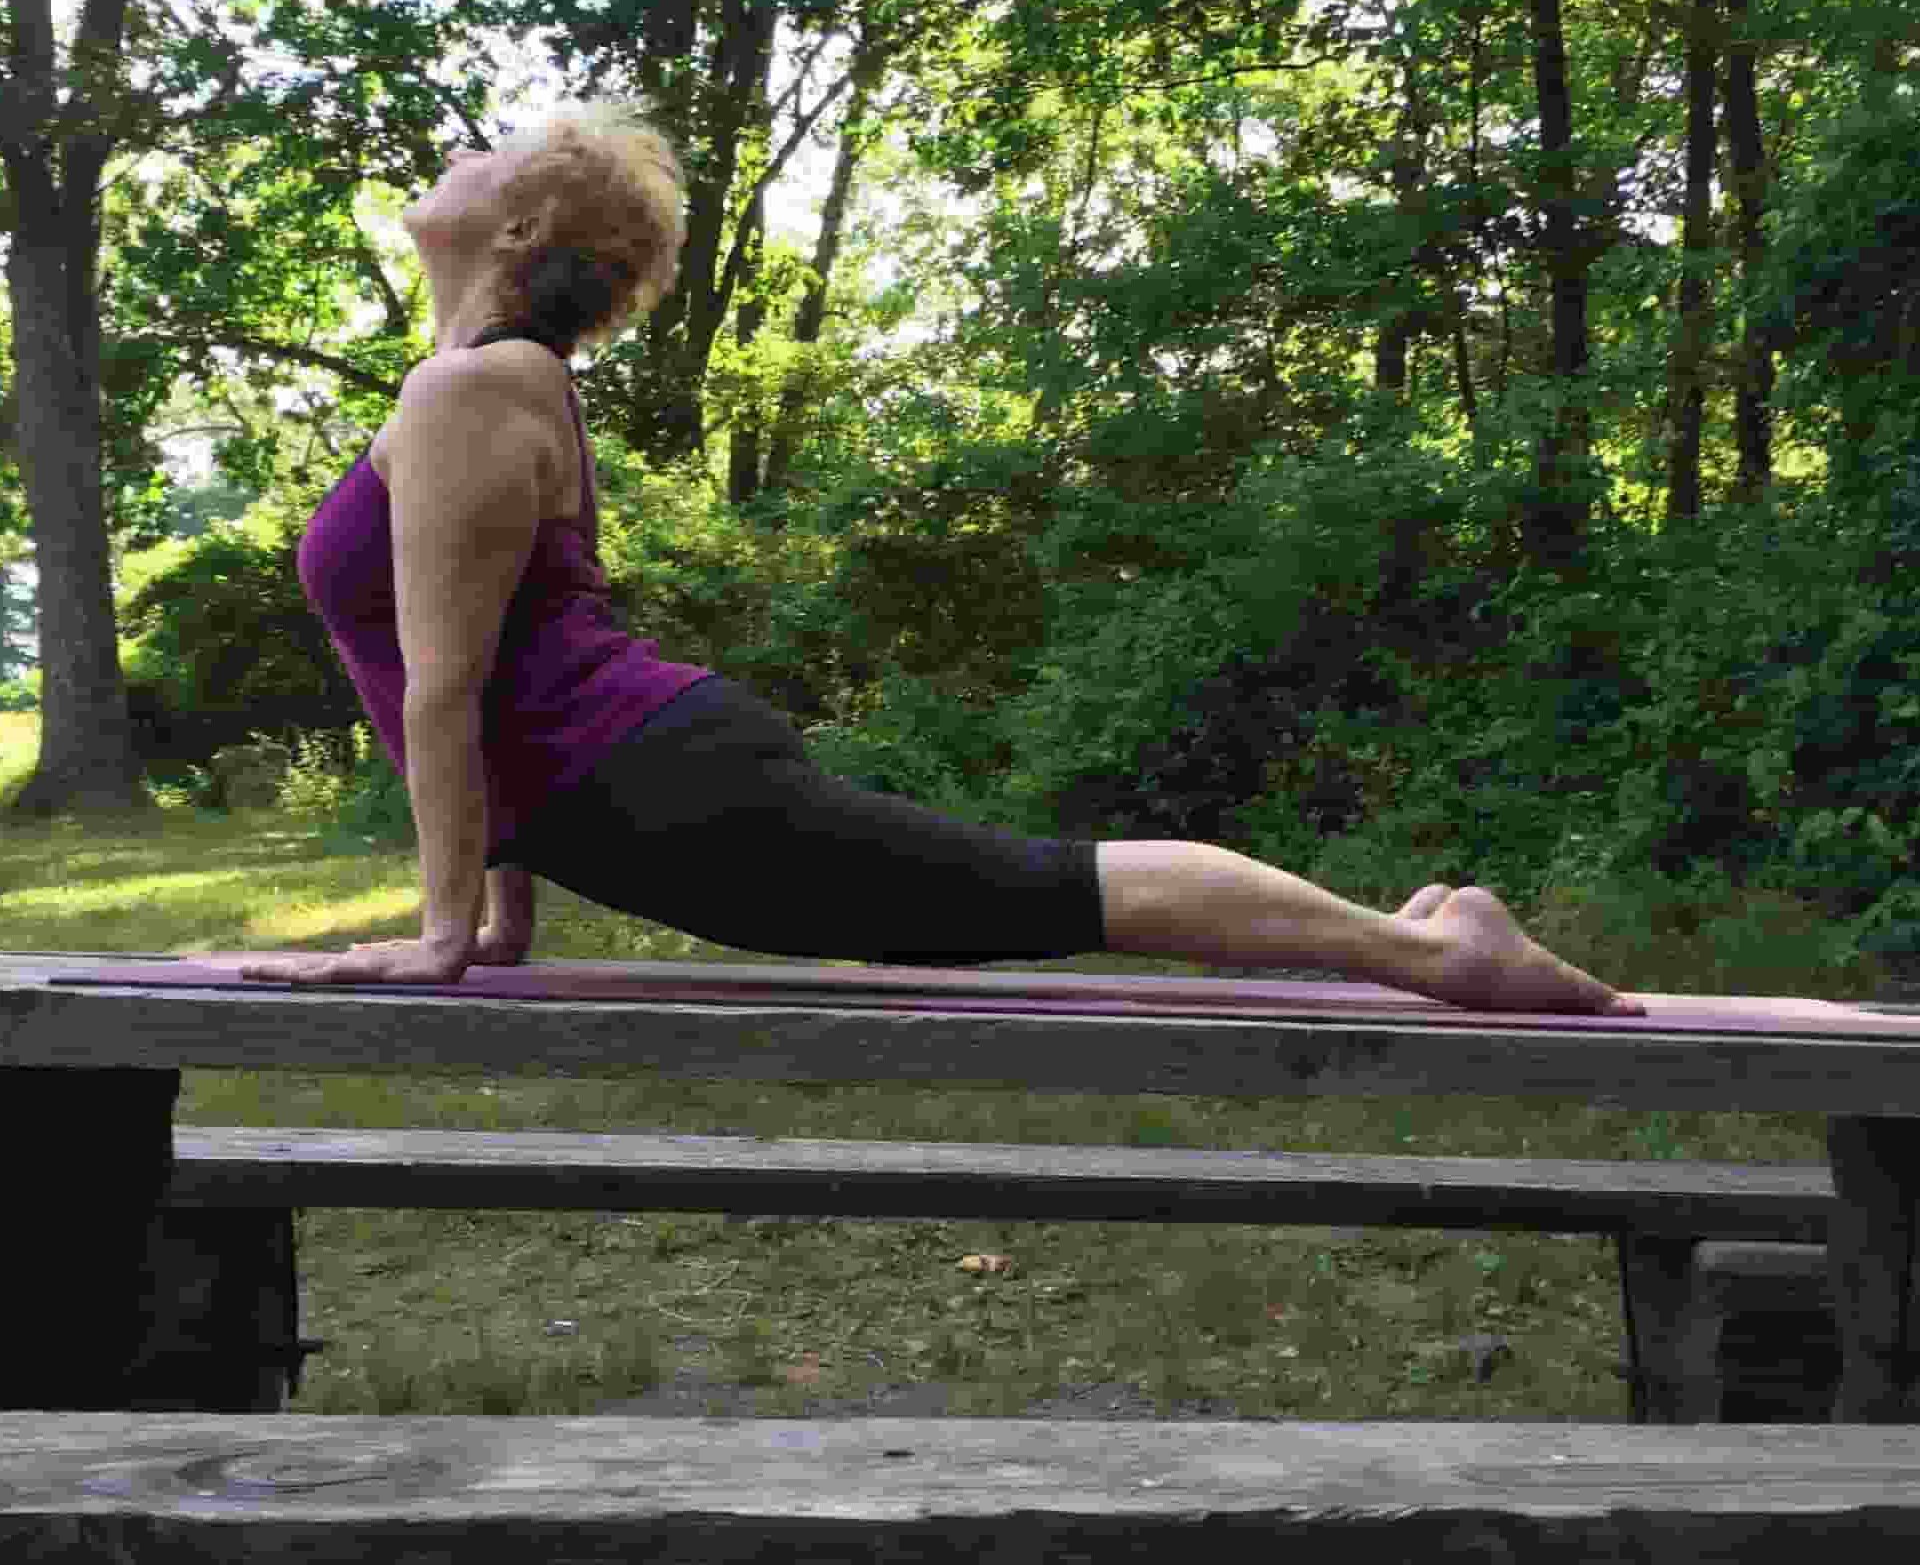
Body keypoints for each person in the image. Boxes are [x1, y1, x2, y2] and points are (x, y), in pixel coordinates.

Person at [242, 103, 1642, 1018]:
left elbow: (449, 686)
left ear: (525, 225)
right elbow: (497, 659)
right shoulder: (478, 386)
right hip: (639, 773)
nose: (454, 158)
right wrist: (494, 922)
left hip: (663, 788)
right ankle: (1417, 931)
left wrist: (442, 935)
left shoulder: (470, 394)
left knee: (1042, 891)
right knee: (1027, 885)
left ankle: (1441, 957)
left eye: (483, 155)